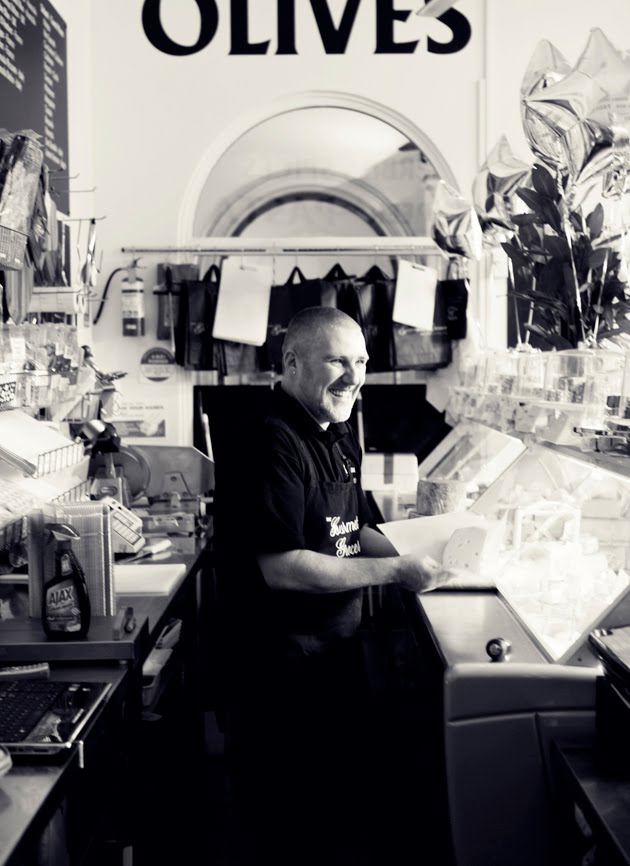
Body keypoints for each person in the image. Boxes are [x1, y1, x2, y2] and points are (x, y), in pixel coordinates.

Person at [216, 306, 456, 866]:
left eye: (362, 361)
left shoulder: (338, 429)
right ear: (292, 362)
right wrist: (398, 572)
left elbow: (353, 530)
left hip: (332, 653)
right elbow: (284, 567)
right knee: (284, 823)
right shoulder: (269, 440)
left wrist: (428, 552)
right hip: (277, 670)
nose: (353, 376)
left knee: (332, 812)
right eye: (337, 361)